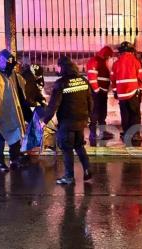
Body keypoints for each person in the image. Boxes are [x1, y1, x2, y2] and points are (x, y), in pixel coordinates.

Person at [41, 56, 93, 185]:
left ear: (62, 67)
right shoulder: (83, 81)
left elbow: (54, 104)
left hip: (67, 122)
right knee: (79, 145)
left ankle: (69, 177)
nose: (57, 69)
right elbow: (90, 101)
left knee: (67, 148)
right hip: (81, 120)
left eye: (58, 66)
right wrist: (90, 117)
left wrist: (45, 120)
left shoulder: (61, 83)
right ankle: (87, 170)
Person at [0, 49, 26, 172]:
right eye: (8, 61)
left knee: (16, 135)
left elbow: (20, 88)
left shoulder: (12, 74)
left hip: (13, 111)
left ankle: (15, 159)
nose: (10, 64)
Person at [110, 41, 142, 146]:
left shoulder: (116, 64)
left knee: (125, 115)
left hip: (121, 94)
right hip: (133, 92)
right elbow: (140, 77)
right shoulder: (136, 61)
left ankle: (127, 134)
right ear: (131, 51)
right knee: (135, 114)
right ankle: (135, 134)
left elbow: (113, 79)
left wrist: (115, 91)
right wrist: (140, 90)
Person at [86, 46, 114, 146]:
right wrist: (97, 90)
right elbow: (92, 77)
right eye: (109, 56)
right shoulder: (94, 61)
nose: (109, 58)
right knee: (95, 113)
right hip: (97, 92)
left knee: (102, 113)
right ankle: (93, 133)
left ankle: (102, 132)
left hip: (102, 92)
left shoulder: (102, 62)